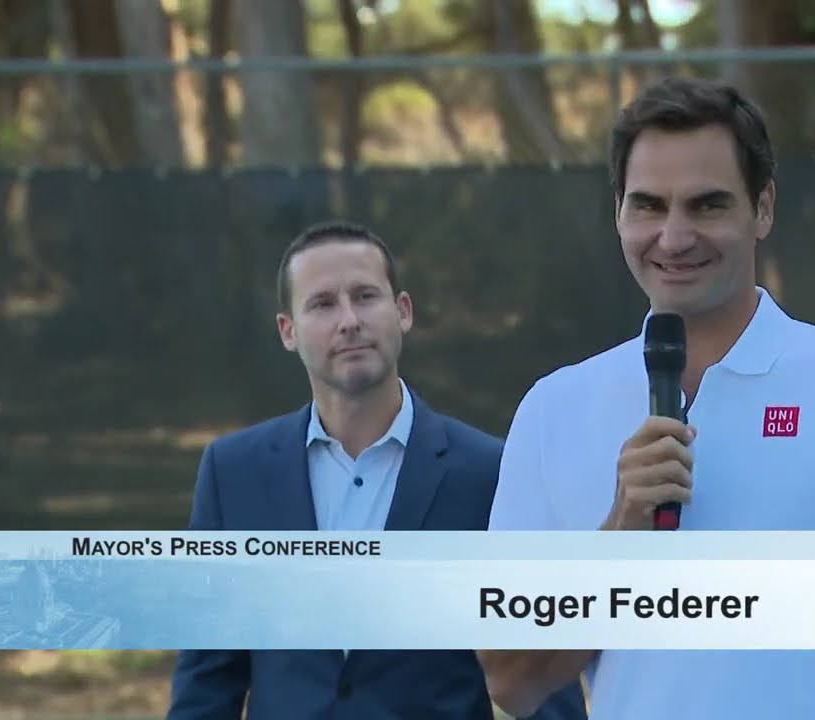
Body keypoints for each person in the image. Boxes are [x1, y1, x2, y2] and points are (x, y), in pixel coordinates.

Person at [478, 76, 815, 719]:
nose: (674, 237)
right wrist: (621, 532)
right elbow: (511, 682)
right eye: (649, 206)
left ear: (762, 208)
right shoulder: (553, 410)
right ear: (618, 212)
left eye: (707, 206)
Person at [167, 222, 587, 720]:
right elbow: (206, 683)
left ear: (402, 311)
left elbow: (544, 687)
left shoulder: (490, 474)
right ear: (288, 330)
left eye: (365, 296)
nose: (349, 320)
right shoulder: (233, 473)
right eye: (322, 304)